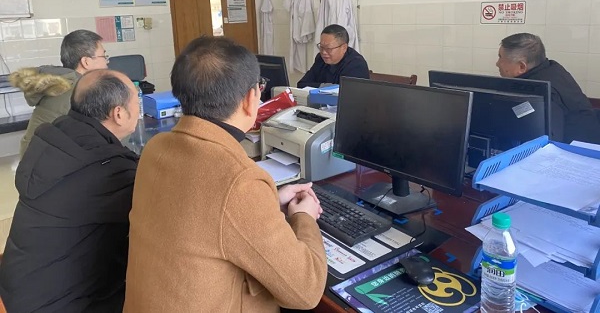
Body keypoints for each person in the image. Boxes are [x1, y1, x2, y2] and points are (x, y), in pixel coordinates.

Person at [124, 37, 327, 312]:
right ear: (250, 99)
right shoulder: (238, 180)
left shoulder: (156, 147)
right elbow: (306, 291)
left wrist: (267, 201)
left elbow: (202, 214)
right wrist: (304, 217)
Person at [0, 69, 139, 312]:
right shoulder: (108, 169)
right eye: (136, 100)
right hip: (60, 305)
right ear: (118, 113)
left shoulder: (53, 137)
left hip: (19, 290)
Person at [9, 29, 109, 157]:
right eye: (104, 56)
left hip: (32, 159)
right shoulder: (78, 91)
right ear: (86, 62)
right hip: (47, 163)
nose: (107, 63)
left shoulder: (62, 80)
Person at [496, 32, 600, 144]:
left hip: (578, 150)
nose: (497, 63)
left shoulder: (542, 91)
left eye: (500, 58)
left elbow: (551, 140)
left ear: (522, 66)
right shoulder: (552, 69)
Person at [297, 24, 369, 88]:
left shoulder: (356, 64)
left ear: (344, 48)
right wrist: (327, 87)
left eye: (328, 48)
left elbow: (345, 93)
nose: (324, 52)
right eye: (321, 47)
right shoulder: (320, 58)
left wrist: (321, 87)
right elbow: (302, 84)